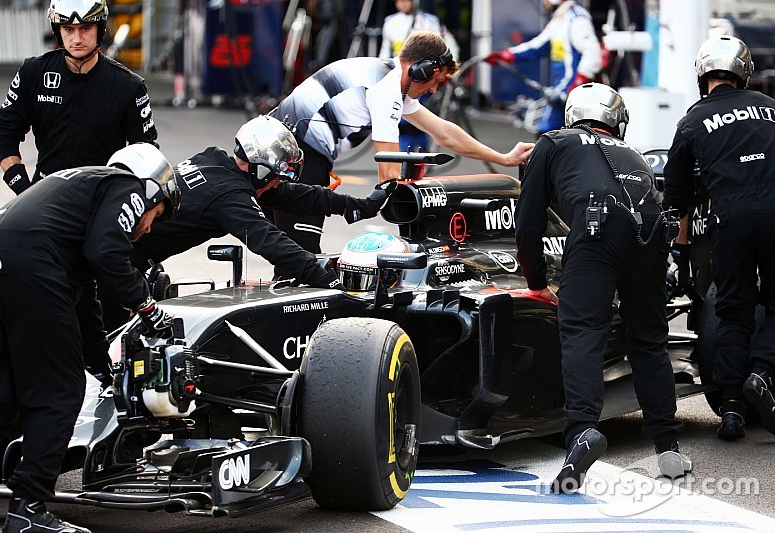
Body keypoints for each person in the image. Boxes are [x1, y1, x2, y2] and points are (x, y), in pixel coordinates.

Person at [0, 143, 180, 533]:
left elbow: (85, 303)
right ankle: (28, 510)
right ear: (151, 191)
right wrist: (148, 306)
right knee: (58, 393)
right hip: (29, 263)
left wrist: (102, 366)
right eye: (156, 214)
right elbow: (107, 254)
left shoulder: (73, 199)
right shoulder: (126, 184)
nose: (150, 226)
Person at [515, 83, 690, 493]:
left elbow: (529, 220)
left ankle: (582, 434)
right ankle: (667, 446)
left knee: (581, 334)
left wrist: (537, 281)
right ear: (617, 122)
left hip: (595, 229)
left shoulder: (554, 141)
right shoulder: (634, 156)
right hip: (649, 232)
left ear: (574, 114)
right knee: (648, 339)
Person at [100, 116, 395, 331]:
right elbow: (270, 242)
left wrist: (356, 207)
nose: (279, 183)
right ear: (260, 169)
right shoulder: (230, 197)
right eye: (277, 175)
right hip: (116, 263)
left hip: (117, 244)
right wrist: (331, 283)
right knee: (113, 349)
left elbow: (288, 195)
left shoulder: (214, 160)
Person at [271, 29, 534, 253]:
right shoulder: (387, 89)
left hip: (278, 145)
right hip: (298, 153)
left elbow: (444, 132)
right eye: (435, 81)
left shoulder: (384, 73)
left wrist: (504, 158)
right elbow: (388, 165)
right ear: (421, 70)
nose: (433, 90)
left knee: (282, 249)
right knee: (300, 260)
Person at [663, 35, 775, 440]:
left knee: (733, 311)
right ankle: (761, 372)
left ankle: (730, 411)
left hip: (729, 220)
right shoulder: (771, 109)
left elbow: (676, 201)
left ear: (702, 75)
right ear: (743, 73)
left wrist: (678, 251)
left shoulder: (692, 121)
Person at [0, 0, 158, 195]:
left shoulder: (130, 86)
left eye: (86, 28)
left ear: (100, 28)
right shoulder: (33, 72)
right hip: (44, 194)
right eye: (69, 29)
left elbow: (146, 154)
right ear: (58, 31)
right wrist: (24, 190)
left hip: (102, 198)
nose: (77, 39)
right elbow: (5, 133)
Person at [485, 0, 602, 135]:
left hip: (570, 88)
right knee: (555, 135)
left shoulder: (577, 18)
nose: (543, 2)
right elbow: (537, 46)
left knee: (548, 133)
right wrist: (506, 55)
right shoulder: (560, 19)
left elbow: (593, 53)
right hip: (563, 88)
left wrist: (577, 83)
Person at [378, 0, 460, 152]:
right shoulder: (390, 22)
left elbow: (448, 46)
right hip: (401, 79)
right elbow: (385, 51)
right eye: (398, 1)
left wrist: (445, 74)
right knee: (402, 123)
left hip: (423, 79)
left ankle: (422, 160)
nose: (401, 4)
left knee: (421, 124)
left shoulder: (430, 22)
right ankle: (405, 160)